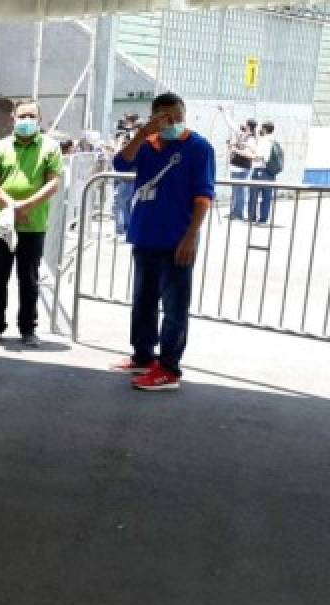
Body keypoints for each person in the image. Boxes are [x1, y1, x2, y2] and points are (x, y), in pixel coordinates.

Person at [109, 92, 215, 391]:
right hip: (145, 235)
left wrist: (191, 236)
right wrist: (143, 133)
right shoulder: (147, 145)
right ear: (154, 118)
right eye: (165, 117)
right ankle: (143, 355)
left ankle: (168, 368)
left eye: (177, 116)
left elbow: (203, 196)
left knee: (175, 307)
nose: (173, 123)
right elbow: (120, 164)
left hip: (177, 240)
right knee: (143, 302)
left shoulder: (199, 148)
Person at [0, 99, 62, 347]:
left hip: (33, 224)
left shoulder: (50, 148)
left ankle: (28, 328)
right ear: (13, 118)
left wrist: (26, 207)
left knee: (29, 279)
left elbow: (53, 183)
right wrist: (12, 206)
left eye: (31, 117)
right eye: (22, 116)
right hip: (1, 226)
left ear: (39, 120)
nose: (26, 121)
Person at [248, 121, 280, 225]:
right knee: (267, 197)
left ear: (265, 129)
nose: (259, 130)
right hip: (271, 172)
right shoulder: (274, 141)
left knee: (253, 195)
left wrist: (247, 155)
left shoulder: (264, 141)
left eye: (261, 128)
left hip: (260, 170)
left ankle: (252, 217)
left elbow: (260, 156)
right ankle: (263, 219)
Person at [227, 117, 257, 222]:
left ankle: (238, 214)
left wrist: (235, 150)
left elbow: (250, 155)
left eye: (246, 124)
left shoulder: (251, 139)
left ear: (248, 126)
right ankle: (235, 211)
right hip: (236, 167)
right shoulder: (244, 135)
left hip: (242, 169)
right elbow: (232, 125)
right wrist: (224, 113)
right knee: (235, 191)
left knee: (240, 192)